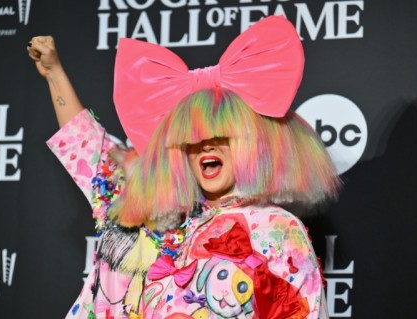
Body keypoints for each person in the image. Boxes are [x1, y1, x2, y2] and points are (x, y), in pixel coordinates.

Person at [28, 16, 339, 319]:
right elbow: (88, 147)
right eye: (194, 138)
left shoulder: (277, 230)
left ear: (254, 145)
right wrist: (54, 73)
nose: (206, 146)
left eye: (222, 137)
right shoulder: (149, 205)